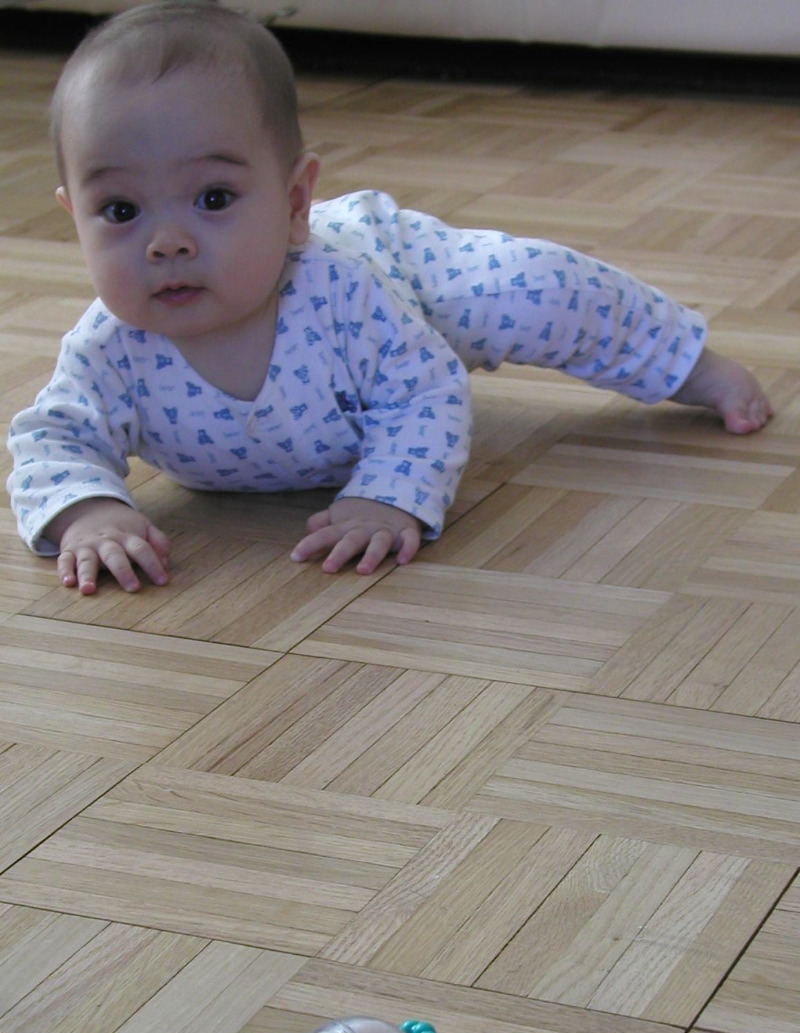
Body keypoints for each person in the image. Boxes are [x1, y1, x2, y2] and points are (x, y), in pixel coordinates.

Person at [6, 1, 773, 595]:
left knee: (534, 290)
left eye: (212, 197)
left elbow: (424, 389)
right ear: (74, 215)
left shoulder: (344, 293)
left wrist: (388, 496)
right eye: (121, 211)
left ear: (296, 200)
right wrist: (88, 510)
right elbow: (51, 440)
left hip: (406, 271)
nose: (164, 242)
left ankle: (683, 360)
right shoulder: (109, 349)